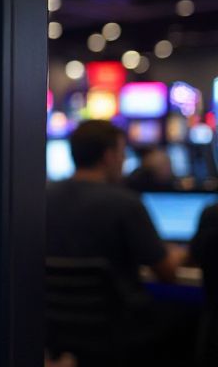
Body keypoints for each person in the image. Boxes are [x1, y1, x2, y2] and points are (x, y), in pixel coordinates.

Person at [46, 120, 182, 289]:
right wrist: (182, 253)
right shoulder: (126, 204)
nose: (124, 159)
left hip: (53, 313)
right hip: (117, 313)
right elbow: (167, 273)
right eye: (122, 152)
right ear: (108, 156)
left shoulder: (43, 198)